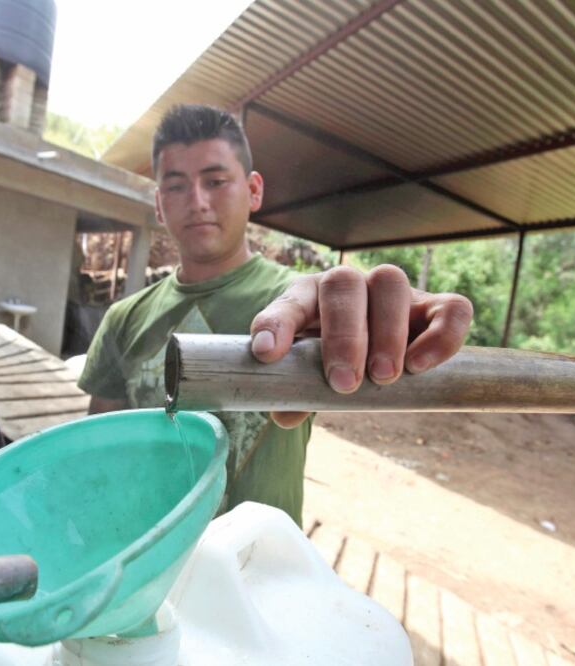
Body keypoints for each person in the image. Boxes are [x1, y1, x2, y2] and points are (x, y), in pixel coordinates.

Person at [77, 104, 472, 525]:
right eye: (176, 186)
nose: (197, 201)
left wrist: (378, 319)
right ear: (159, 205)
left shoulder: (304, 309)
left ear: (253, 190)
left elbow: (344, 312)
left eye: (216, 181)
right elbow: (99, 451)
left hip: (263, 561)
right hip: (149, 552)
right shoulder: (123, 319)